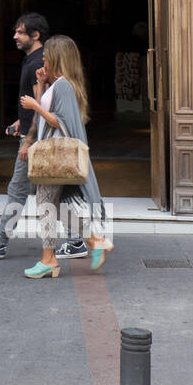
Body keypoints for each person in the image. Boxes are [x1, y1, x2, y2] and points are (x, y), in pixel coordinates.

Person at [0, 13, 86, 260]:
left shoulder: (35, 64)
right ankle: (76, 241)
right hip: (37, 135)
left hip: (37, 140)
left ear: (35, 35)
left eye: (20, 32)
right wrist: (22, 119)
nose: (15, 36)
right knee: (54, 192)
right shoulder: (35, 61)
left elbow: (42, 107)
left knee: (18, 190)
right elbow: (40, 102)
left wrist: (28, 141)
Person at [18, 35, 112, 278]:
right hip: (53, 155)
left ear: (58, 57)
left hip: (57, 157)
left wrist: (34, 106)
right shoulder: (58, 83)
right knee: (51, 205)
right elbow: (46, 117)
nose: (44, 58)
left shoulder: (64, 86)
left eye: (48, 54)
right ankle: (92, 241)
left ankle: (49, 259)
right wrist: (39, 88)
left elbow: (61, 122)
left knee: (46, 204)